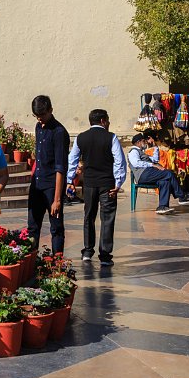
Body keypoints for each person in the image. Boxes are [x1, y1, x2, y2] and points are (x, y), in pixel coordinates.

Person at [67, 109, 126, 266]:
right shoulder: (111, 137)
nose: (108, 123)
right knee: (107, 218)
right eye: (107, 120)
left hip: (90, 184)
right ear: (103, 121)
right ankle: (105, 255)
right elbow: (119, 162)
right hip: (108, 184)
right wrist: (118, 183)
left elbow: (72, 159)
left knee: (89, 216)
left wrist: (69, 180)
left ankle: (87, 250)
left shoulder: (81, 138)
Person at [27, 95, 69, 254]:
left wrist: (57, 199)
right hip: (37, 184)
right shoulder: (39, 127)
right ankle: (31, 262)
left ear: (51, 110)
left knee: (56, 228)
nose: (40, 119)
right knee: (32, 226)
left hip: (52, 187)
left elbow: (60, 168)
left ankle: (57, 265)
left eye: (43, 115)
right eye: (36, 116)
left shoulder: (59, 132)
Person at [128, 133, 189, 215]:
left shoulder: (142, 152)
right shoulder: (133, 151)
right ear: (138, 142)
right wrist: (152, 165)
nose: (146, 142)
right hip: (143, 175)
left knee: (165, 181)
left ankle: (162, 207)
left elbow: (155, 160)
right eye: (144, 141)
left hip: (149, 174)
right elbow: (136, 163)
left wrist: (155, 147)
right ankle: (181, 197)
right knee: (168, 173)